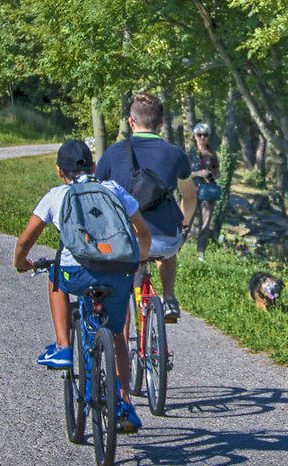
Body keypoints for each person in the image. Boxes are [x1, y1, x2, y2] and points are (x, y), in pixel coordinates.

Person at [12, 139, 153, 433]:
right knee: (116, 336)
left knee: (55, 278)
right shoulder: (113, 190)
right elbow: (142, 231)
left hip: (77, 274)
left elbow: (26, 239)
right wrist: (136, 259)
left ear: (59, 171)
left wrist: (21, 261)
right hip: (118, 273)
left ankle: (63, 347)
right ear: (93, 167)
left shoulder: (57, 195)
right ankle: (125, 404)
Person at [97, 93, 194, 324]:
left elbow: (97, 193)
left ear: (131, 122)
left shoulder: (112, 152)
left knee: (126, 277)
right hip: (165, 239)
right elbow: (189, 196)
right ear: (161, 124)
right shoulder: (176, 155)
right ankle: (169, 297)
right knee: (168, 249)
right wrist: (184, 223)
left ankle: (123, 324)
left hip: (126, 239)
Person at [185, 121, 223, 255]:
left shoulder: (212, 153)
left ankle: (200, 253)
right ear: (195, 136)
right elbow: (183, 174)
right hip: (191, 192)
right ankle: (176, 252)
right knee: (186, 223)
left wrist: (212, 175)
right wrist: (198, 174)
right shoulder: (189, 153)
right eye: (199, 135)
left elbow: (218, 172)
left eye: (205, 135)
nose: (202, 138)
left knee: (205, 225)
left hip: (207, 193)